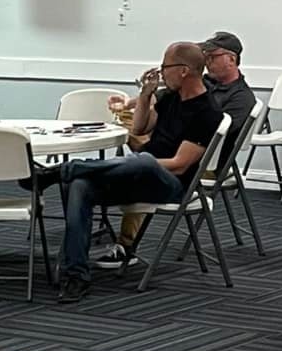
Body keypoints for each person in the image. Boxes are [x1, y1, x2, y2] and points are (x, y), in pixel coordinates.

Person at [55, 42, 222, 302]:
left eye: (165, 67)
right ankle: (76, 275)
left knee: (143, 160)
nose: (161, 72)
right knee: (79, 185)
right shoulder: (170, 98)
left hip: (172, 185)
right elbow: (140, 128)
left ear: (183, 71)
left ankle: (64, 169)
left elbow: (179, 164)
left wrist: (145, 162)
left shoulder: (207, 112)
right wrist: (145, 95)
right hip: (140, 175)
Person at [97, 31, 255, 270]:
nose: (206, 61)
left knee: (144, 158)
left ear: (231, 59)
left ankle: (125, 241)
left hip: (202, 162)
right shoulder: (201, 82)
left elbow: (216, 137)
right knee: (128, 125)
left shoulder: (240, 98)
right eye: (205, 56)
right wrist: (131, 102)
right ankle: (118, 171)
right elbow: (162, 97)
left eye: (212, 56)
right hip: (177, 146)